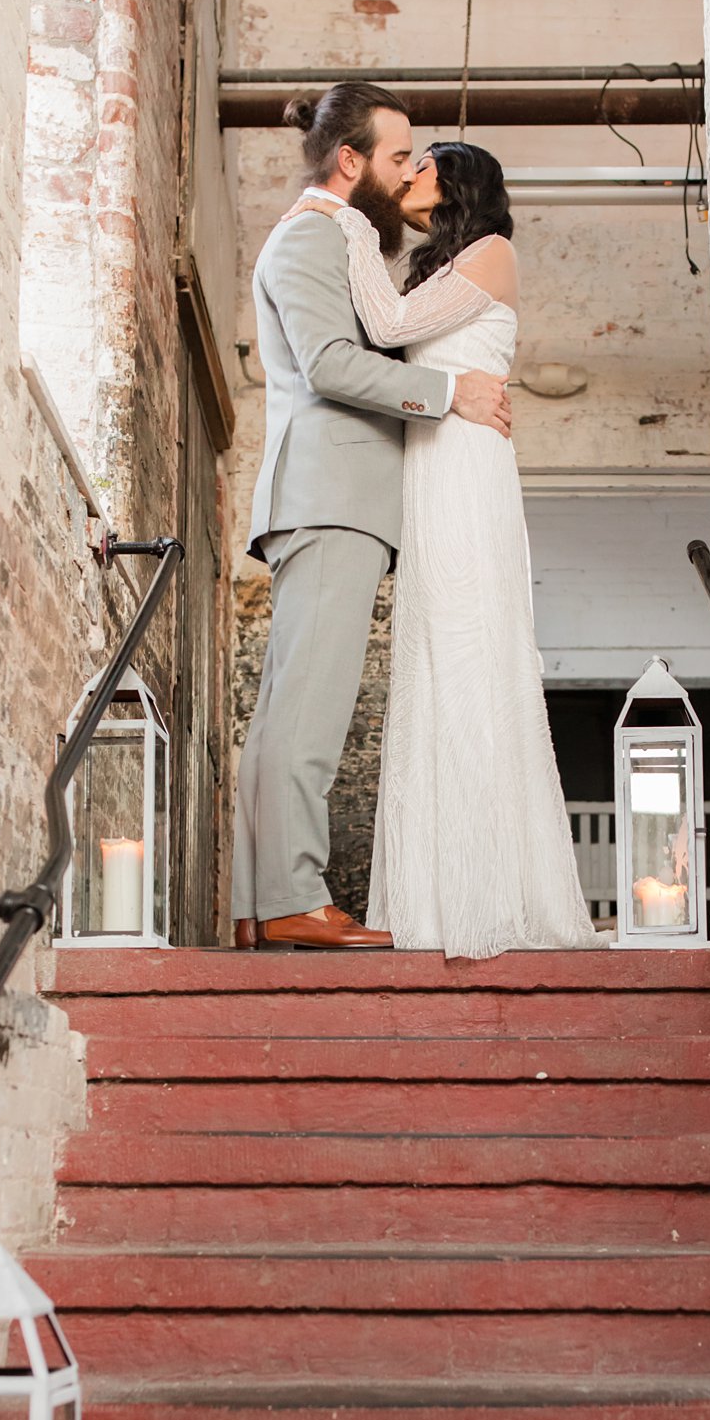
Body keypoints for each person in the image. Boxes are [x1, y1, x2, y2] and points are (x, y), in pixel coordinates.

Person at [283, 142, 599, 958]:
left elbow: (385, 325)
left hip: (465, 474)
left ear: (455, 182)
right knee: (428, 664)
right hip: (425, 473)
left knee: (469, 657)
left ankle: (487, 894)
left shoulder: (493, 252)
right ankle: (429, 894)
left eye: (420, 167)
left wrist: (345, 216)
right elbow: (382, 351)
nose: (407, 179)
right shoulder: (436, 268)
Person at [233, 84, 513, 951]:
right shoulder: (315, 234)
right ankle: (289, 898)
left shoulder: (334, 238)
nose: (408, 176)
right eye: (398, 159)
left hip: (332, 496)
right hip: (331, 494)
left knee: (291, 706)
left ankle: (261, 901)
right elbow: (328, 363)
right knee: (309, 713)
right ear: (350, 161)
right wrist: (448, 390)